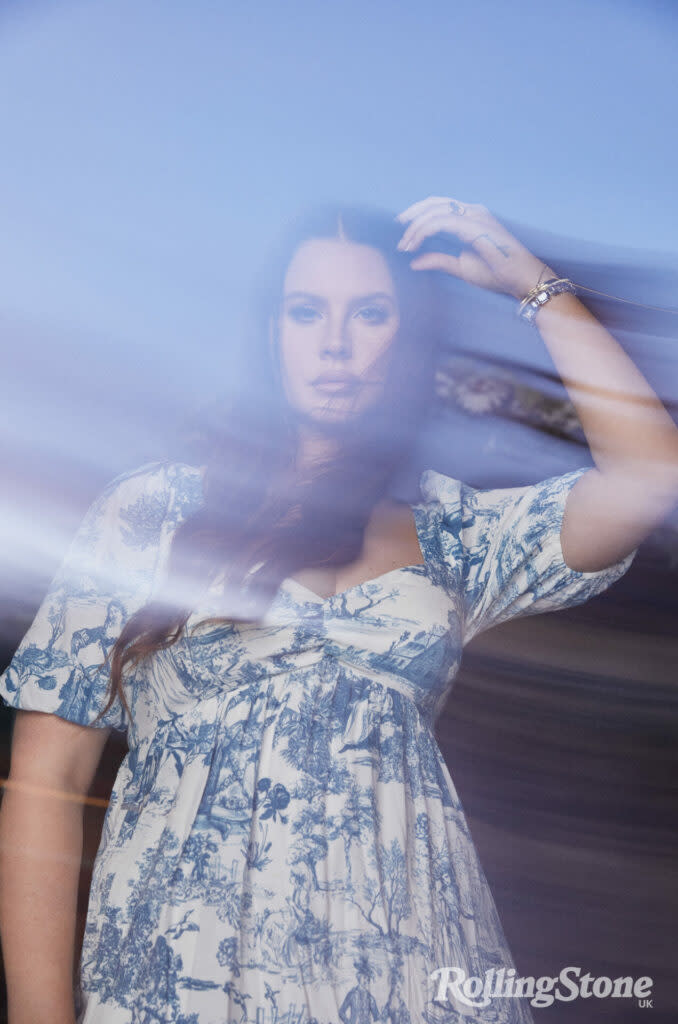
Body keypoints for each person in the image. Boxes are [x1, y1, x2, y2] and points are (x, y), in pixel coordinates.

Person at [1, 195, 677, 1024]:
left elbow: (649, 475)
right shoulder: (154, 510)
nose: (334, 342)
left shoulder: (453, 532)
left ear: (408, 341)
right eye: (306, 310)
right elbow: (44, 779)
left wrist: (535, 286)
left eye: (371, 313)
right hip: (180, 981)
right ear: (272, 329)